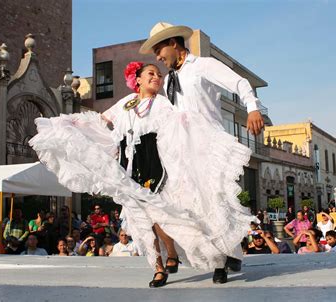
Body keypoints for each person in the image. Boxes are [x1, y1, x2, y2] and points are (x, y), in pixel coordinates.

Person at [29, 61, 254, 288]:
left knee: (159, 215)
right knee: (141, 220)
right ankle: (158, 267)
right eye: (151, 73)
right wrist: (75, 123)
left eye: (158, 74)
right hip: (129, 166)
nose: (157, 77)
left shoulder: (164, 104)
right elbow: (103, 120)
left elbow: (178, 129)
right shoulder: (126, 103)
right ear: (137, 79)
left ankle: (178, 254)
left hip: (156, 166)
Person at [141, 22, 265, 284]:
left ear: (174, 43)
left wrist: (253, 108)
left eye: (159, 50)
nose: (158, 57)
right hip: (182, 150)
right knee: (192, 205)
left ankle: (223, 260)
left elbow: (239, 81)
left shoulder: (203, 66)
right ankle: (219, 257)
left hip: (208, 143)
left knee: (215, 200)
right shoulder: (170, 80)